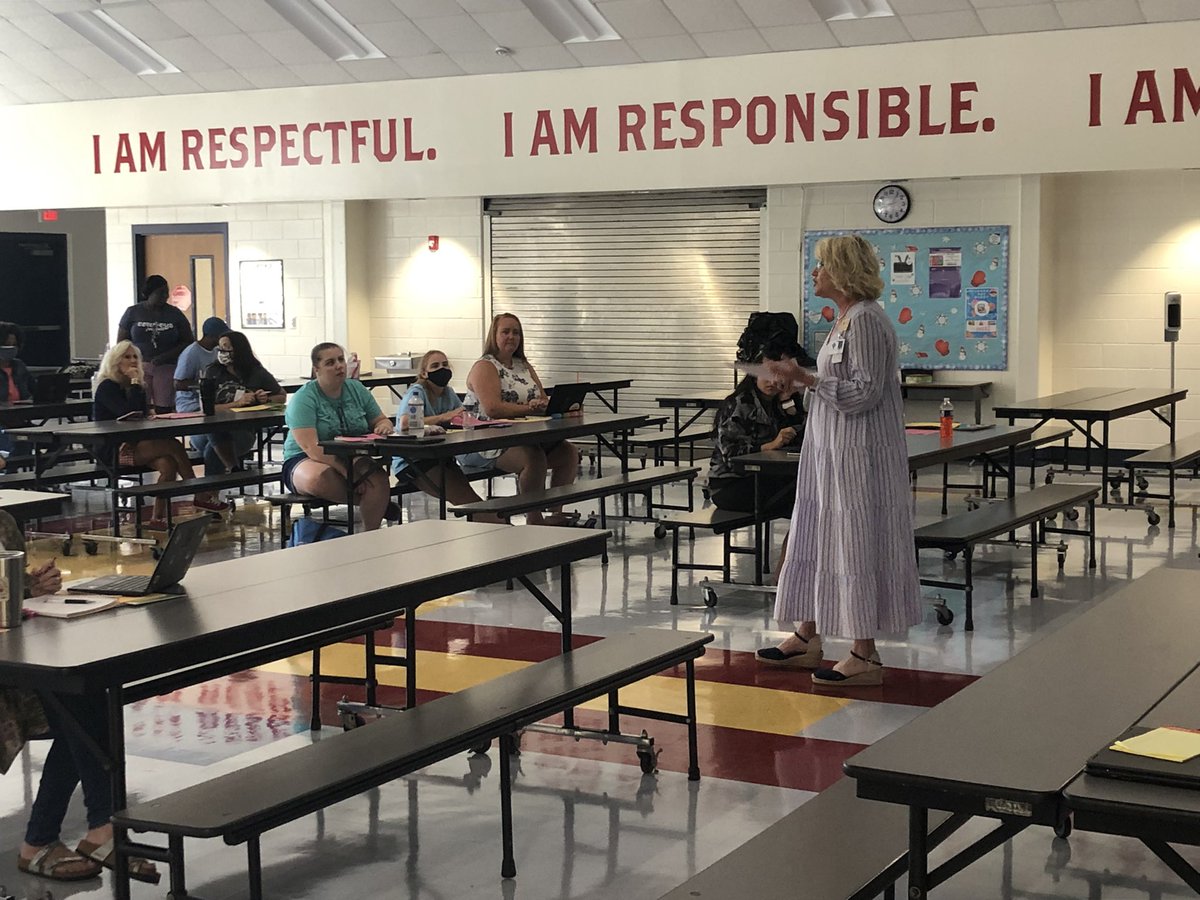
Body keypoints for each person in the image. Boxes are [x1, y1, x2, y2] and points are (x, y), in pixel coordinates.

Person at [757, 234, 921, 686]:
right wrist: (800, 385)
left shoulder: (867, 320)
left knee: (853, 539)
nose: (815, 273)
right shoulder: (842, 320)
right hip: (828, 451)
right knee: (816, 534)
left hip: (858, 456)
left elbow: (865, 393)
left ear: (844, 272)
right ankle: (806, 634)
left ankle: (864, 653)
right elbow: (836, 386)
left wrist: (807, 378)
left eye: (822, 265)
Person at [0, 510, 159, 884]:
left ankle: (87, 832)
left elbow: (11, 586)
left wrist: (34, 584)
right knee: (77, 711)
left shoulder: (2, 522)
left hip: (15, 652)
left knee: (84, 702)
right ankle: (82, 833)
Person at [94, 341, 228, 528]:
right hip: (114, 447)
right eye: (127, 357)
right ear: (116, 361)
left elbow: (141, 415)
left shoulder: (138, 387)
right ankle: (199, 493)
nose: (132, 361)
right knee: (173, 445)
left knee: (168, 464)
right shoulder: (107, 387)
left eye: (135, 357)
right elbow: (125, 413)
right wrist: (134, 384)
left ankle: (157, 518)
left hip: (137, 442)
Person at [463, 313, 581, 525]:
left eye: (516, 332)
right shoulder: (485, 366)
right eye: (505, 332)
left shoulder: (523, 365)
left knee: (568, 452)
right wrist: (527, 408)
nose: (511, 337)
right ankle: (533, 518)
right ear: (494, 336)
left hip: (523, 436)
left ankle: (556, 512)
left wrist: (552, 406)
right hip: (485, 441)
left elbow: (543, 399)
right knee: (533, 458)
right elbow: (493, 408)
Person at [282, 342, 395, 532]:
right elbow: (312, 448)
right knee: (319, 478)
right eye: (330, 362)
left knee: (378, 478)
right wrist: (347, 473)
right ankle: (377, 504)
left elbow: (381, 420)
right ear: (316, 369)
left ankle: (371, 533)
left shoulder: (357, 389)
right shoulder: (303, 399)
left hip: (351, 452)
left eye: (341, 360)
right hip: (306, 457)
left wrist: (383, 426)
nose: (339, 366)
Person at [708, 317, 812, 521]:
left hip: (762, 476)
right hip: (730, 485)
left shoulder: (779, 401)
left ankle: (797, 548)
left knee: (805, 488)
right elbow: (732, 455)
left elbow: (800, 434)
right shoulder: (738, 403)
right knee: (798, 497)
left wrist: (788, 404)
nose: (773, 381)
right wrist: (771, 445)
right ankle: (794, 550)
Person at [392, 350, 504, 523]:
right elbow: (405, 423)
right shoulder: (417, 392)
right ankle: (502, 528)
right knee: (467, 500)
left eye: (445, 365)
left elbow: (460, 415)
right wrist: (443, 417)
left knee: (468, 497)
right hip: (414, 461)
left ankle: (496, 527)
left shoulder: (448, 392)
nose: (441, 369)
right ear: (424, 373)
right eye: (435, 366)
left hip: (441, 456)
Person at [196, 330, 285, 474]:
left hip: (241, 431)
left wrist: (265, 399)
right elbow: (206, 409)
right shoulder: (212, 372)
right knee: (215, 432)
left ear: (239, 349)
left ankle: (208, 494)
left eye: (226, 347)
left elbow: (281, 396)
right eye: (220, 348)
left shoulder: (256, 372)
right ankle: (232, 469)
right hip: (206, 432)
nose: (222, 351)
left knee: (212, 451)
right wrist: (237, 403)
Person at [116, 275, 193, 413]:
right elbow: (122, 343)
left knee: (164, 407)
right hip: (140, 365)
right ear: (148, 293)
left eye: (166, 292)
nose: (165, 296)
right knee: (140, 404)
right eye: (160, 293)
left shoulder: (175, 314)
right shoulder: (133, 312)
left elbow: (188, 341)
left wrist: (166, 356)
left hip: (167, 366)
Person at [174, 315, 228, 413]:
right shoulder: (191, 353)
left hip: (210, 401)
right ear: (212, 336)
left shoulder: (216, 351)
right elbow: (178, 384)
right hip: (190, 404)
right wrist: (206, 385)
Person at [0, 321, 35, 402]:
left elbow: (35, 390)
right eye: (6, 344)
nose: (11, 348)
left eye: (14, 345)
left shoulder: (19, 365)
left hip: (23, 412)